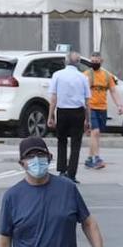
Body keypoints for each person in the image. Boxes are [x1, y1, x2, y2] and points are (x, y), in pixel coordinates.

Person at [0, 136, 104, 247]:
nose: (36, 160)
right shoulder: (12, 197)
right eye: (30, 157)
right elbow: (4, 241)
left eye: (40, 154)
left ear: (50, 157)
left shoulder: (67, 189)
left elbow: (88, 223)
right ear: (21, 163)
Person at [47, 51, 90, 183]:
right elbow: (87, 100)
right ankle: (72, 173)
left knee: (62, 141)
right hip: (78, 112)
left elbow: (53, 97)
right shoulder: (82, 77)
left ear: (65, 62)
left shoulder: (57, 75)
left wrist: (51, 116)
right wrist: (87, 119)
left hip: (62, 111)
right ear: (78, 63)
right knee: (76, 143)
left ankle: (62, 170)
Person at [84, 51, 122, 171]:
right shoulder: (86, 75)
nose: (94, 63)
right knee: (95, 132)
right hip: (91, 107)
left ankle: (89, 159)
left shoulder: (106, 76)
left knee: (96, 135)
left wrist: (119, 105)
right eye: (92, 61)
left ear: (101, 61)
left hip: (102, 108)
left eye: (96, 61)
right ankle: (96, 158)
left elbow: (113, 91)